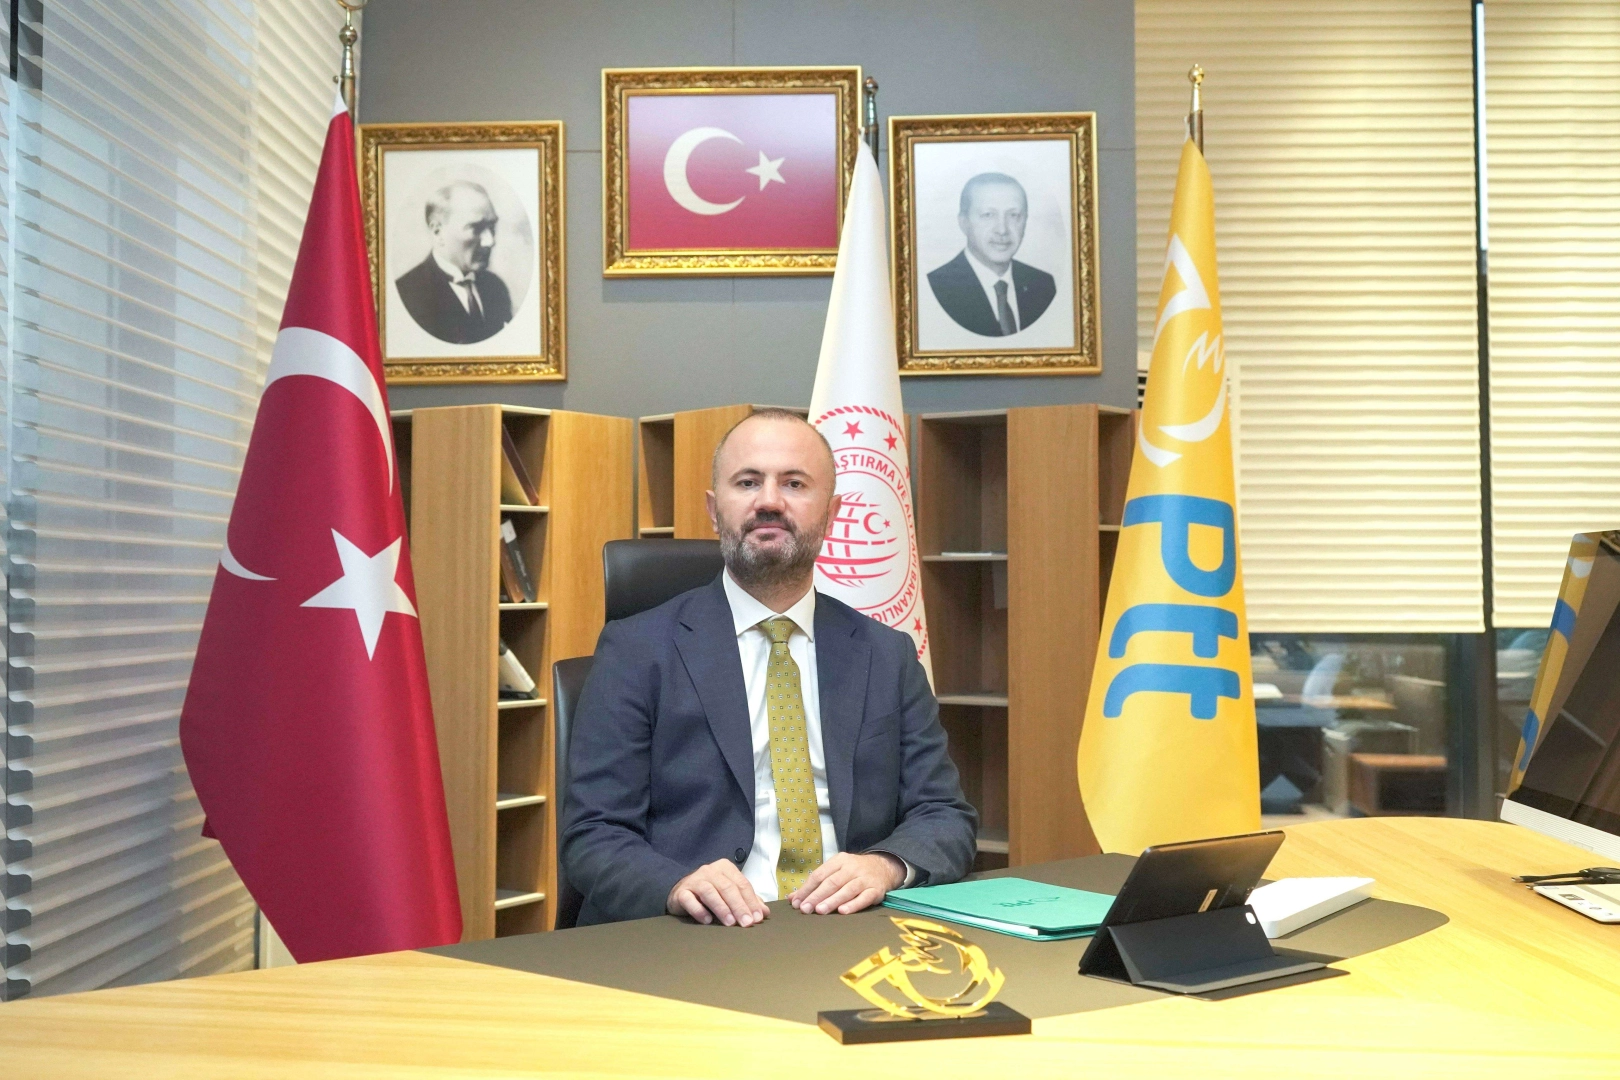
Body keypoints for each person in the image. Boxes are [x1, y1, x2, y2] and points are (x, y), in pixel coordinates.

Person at [561, 409, 976, 927]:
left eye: (795, 483)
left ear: (832, 512)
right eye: (748, 482)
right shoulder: (636, 650)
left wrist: (885, 865)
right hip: (698, 932)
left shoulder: (886, 655)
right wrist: (675, 886)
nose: (770, 501)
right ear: (714, 510)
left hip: (848, 925)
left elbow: (944, 815)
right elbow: (593, 834)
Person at [927, 172, 1056, 337]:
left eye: (1013, 215)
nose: (1002, 230)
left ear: (1025, 221)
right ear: (964, 222)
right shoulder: (937, 287)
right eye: (988, 215)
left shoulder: (1043, 285)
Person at [394, 180, 513, 344]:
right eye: (476, 228)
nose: (490, 241)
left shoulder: (495, 288)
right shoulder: (406, 295)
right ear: (437, 232)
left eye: (491, 226)